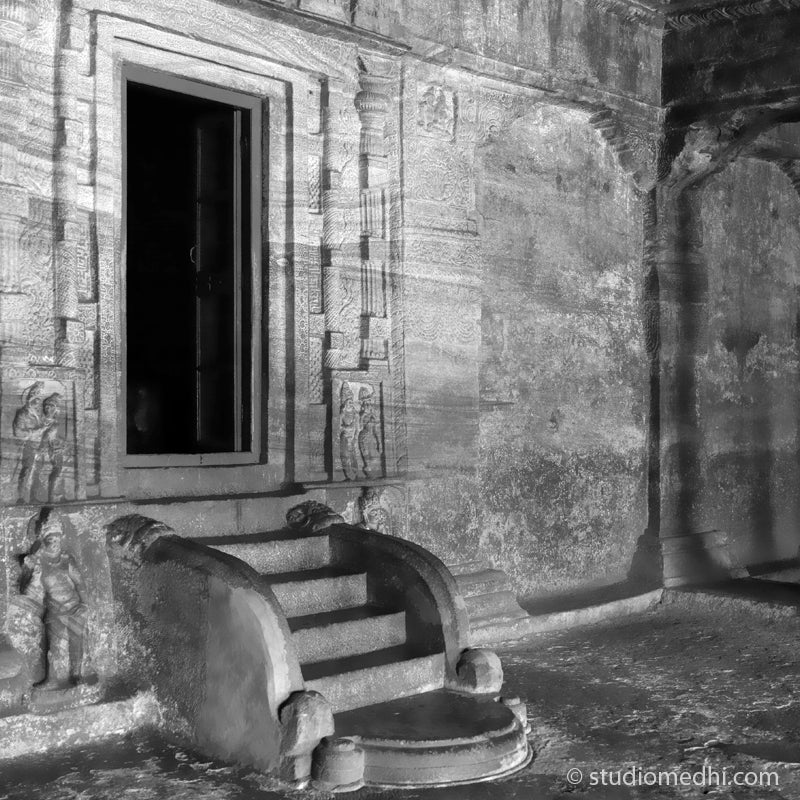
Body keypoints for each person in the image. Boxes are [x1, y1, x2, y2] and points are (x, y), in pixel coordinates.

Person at [21, 514, 90, 688]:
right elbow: (28, 592)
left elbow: (80, 584)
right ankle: (51, 678)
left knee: (76, 643)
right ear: (44, 540)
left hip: (74, 607)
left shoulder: (67, 560)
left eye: (57, 538)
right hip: (54, 610)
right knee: (54, 645)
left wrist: (85, 605)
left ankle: (76, 675)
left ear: (61, 539)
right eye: (50, 538)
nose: (54, 542)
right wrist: (30, 571)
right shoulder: (39, 563)